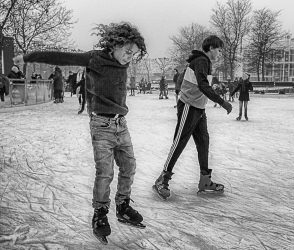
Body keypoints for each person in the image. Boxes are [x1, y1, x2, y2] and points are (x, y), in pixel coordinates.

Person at [13, 22, 147, 244]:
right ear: (115, 44)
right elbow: (60, 57)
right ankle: (100, 214)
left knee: (129, 165)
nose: (129, 57)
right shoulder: (94, 58)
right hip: (101, 124)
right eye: (127, 51)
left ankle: (123, 205)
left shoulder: (122, 63)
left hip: (121, 123)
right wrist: (28, 57)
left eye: (134, 54)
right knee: (105, 172)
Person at [153, 35, 232, 200]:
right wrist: (222, 102)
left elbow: (201, 84)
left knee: (203, 142)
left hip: (199, 108)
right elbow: (203, 85)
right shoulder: (201, 61)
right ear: (211, 48)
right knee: (180, 141)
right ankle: (162, 179)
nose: (219, 52)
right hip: (189, 106)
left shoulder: (203, 62)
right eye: (218, 49)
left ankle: (205, 180)